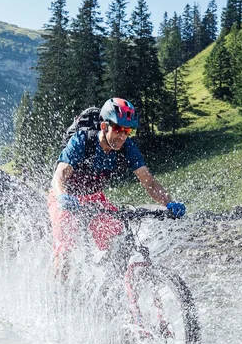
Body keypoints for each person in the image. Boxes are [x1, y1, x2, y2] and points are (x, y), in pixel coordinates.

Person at [49, 98, 186, 276]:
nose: (122, 136)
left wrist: (169, 203)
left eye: (127, 130)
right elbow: (59, 175)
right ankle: (59, 296)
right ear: (105, 126)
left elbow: (149, 182)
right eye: (118, 129)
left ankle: (108, 285)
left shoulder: (127, 147)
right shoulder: (83, 140)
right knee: (65, 251)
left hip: (94, 198)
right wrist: (62, 197)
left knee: (119, 239)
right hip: (66, 197)